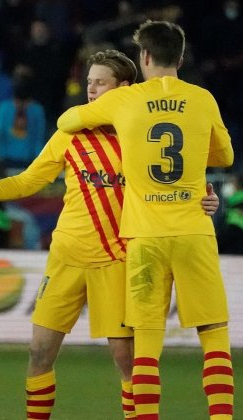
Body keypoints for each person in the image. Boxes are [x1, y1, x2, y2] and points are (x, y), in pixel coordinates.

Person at [0, 49, 220, 419]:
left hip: (117, 259)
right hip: (66, 259)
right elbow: (28, 181)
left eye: (100, 83)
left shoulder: (142, 136)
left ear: (124, 88)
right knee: (39, 352)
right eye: (89, 82)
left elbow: (175, 182)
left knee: (127, 360)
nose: (91, 90)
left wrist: (205, 200)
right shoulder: (69, 133)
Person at [57, 21, 234, 419]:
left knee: (147, 344)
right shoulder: (202, 98)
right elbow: (225, 156)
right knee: (214, 335)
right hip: (193, 231)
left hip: (145, 237)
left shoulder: (125, 99)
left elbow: (66, 122)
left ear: (145, 57)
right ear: (181, 59)